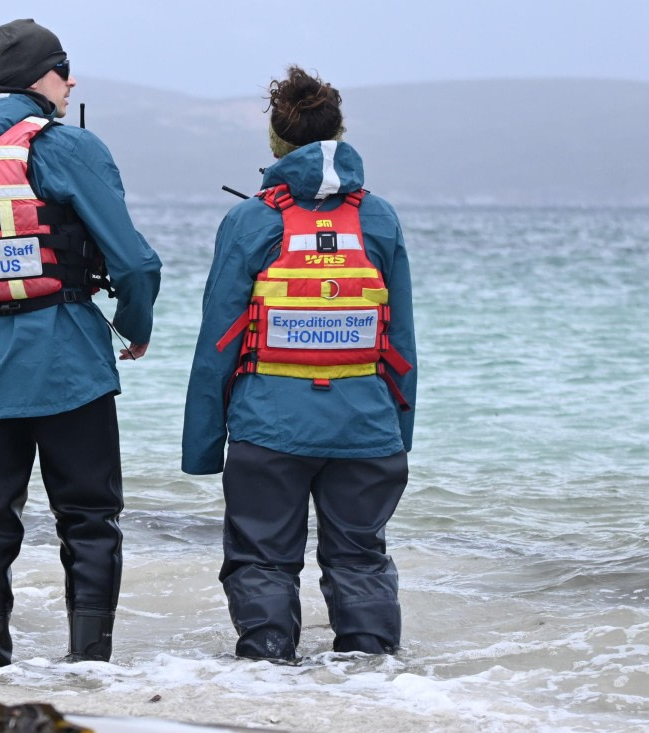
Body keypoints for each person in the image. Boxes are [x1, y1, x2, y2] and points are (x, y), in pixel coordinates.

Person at [0, 19, 161, 667]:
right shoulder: (71, 146)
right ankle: (89, 668)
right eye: (63, 68)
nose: (70, 80)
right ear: (39, 78)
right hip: (67, 364)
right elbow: (134, 264)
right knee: (89, 516)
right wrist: (134, 328)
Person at [182, 67, 417, 662]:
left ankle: (266, 674)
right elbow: (402, 340)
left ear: (275, 144)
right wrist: (398, 434)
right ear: (339, 133)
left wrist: (204, 448)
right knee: (361, 557)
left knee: (262, 559)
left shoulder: (251, 220)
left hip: (268, 428)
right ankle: (372, 681)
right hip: (367, 428)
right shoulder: (380, 218)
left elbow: (218, 343)